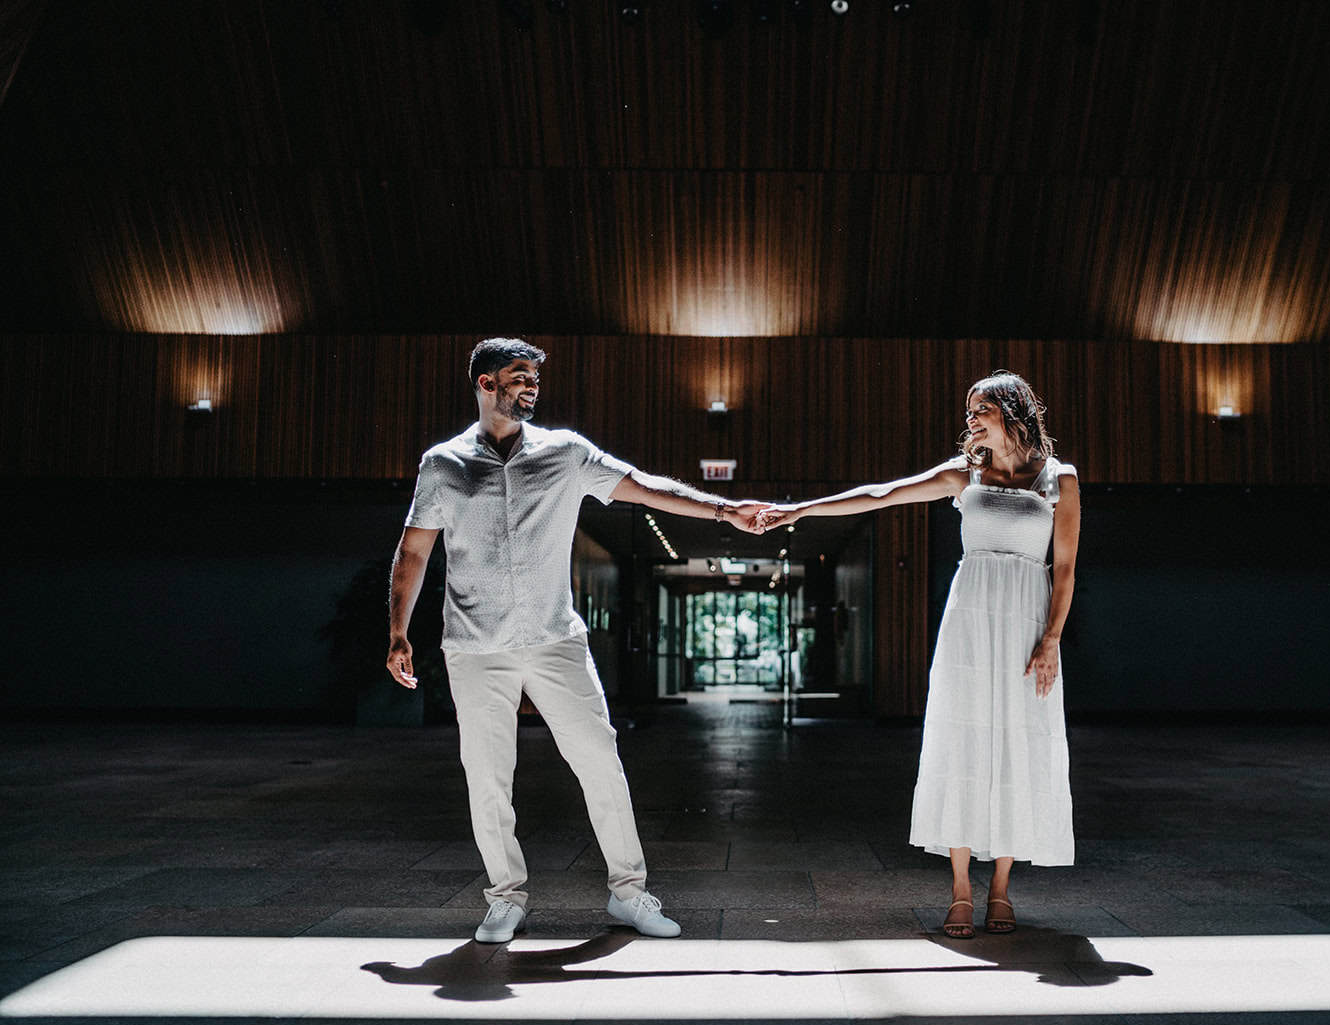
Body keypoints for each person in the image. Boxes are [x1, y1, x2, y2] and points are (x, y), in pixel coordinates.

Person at [387, 337, 769, 944]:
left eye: (535, 376)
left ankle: (631, 894)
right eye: (519, 376)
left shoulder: (565, 453)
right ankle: (504, 899)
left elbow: (645, 486)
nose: (532, 386)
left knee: (600, 761)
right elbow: (414, 548)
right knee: (487, 775)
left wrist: (723, 510)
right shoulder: (444, 464)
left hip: (553, 640)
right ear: (486, 384)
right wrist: (398, 632)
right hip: (474, 644)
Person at [759, 371, 1079, 937]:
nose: (971, 420)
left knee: (1017, 738)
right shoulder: (963, 474)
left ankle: (1001, 888)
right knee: (963, 738)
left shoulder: (1060, 479)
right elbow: (881, 494)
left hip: (1026, 622)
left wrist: (1051, 639)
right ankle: (960, 888)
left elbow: (1067, 567)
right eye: (969, 411)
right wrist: (800, 510)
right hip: (970, 621)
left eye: (980, 409)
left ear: (1012, 409)